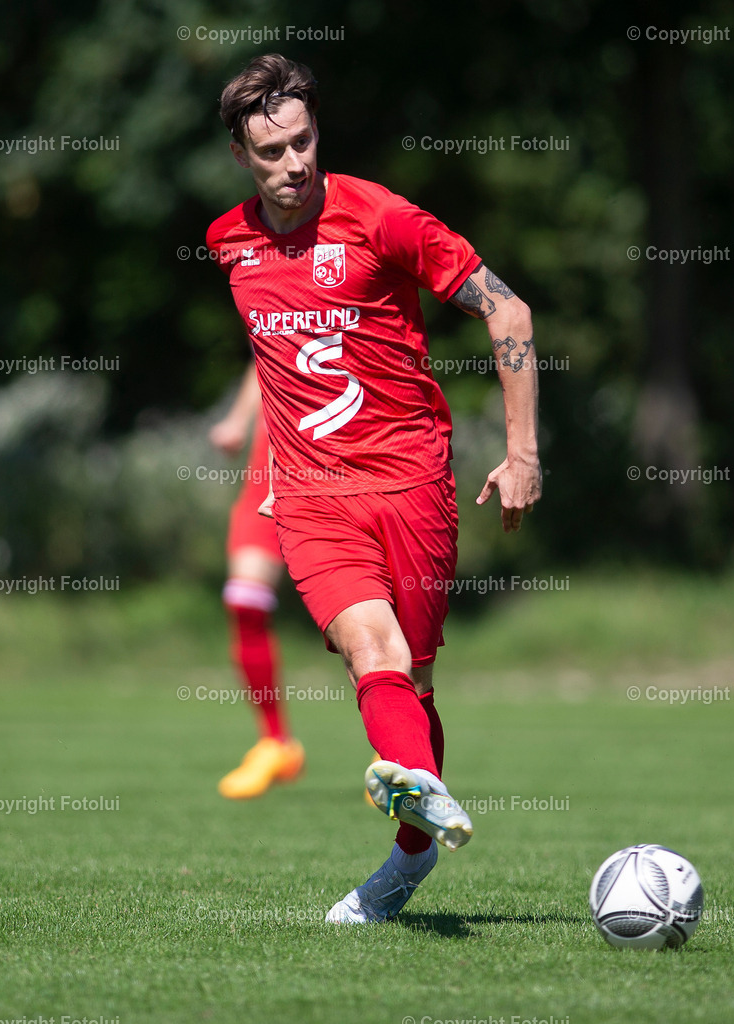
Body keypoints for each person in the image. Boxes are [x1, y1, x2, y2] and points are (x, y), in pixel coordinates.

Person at [206, 54, 541, 924]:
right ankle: (421, 808)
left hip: (414, 482)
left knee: (415, 677)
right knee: (372, 650)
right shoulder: (227, 242)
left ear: (319, 130)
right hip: (312, 496)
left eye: (304, 140)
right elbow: (275, 359)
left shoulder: (382, 217)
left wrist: (523, 452)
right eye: (272, 150)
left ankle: (410, 852)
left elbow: (508, 311)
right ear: (243, 156)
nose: (294, 163)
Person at [209, 363, 304, 799]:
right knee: (245, 601)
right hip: (267, 473)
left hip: (335, 464)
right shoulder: (266, 296)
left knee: (362, 618)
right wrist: (238, 419)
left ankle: (393, 754)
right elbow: (264, 353)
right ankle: (274, 743)